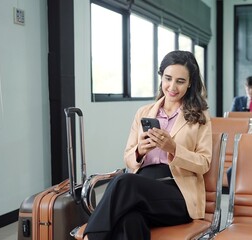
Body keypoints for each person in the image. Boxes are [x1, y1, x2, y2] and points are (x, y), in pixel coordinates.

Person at [82, 50, 212, 240]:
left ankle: (90, 238)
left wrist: (173, 149)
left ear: (190, 82)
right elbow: (127, 157)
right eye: (168, 78)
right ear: (161, 77)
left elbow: (204, 163)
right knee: (130, 221)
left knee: (123, 181)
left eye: (180, 81)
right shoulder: (144, 112)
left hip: (178, 192)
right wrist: (139, 152)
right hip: (141, 188)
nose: (172, 87)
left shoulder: (200, 117)